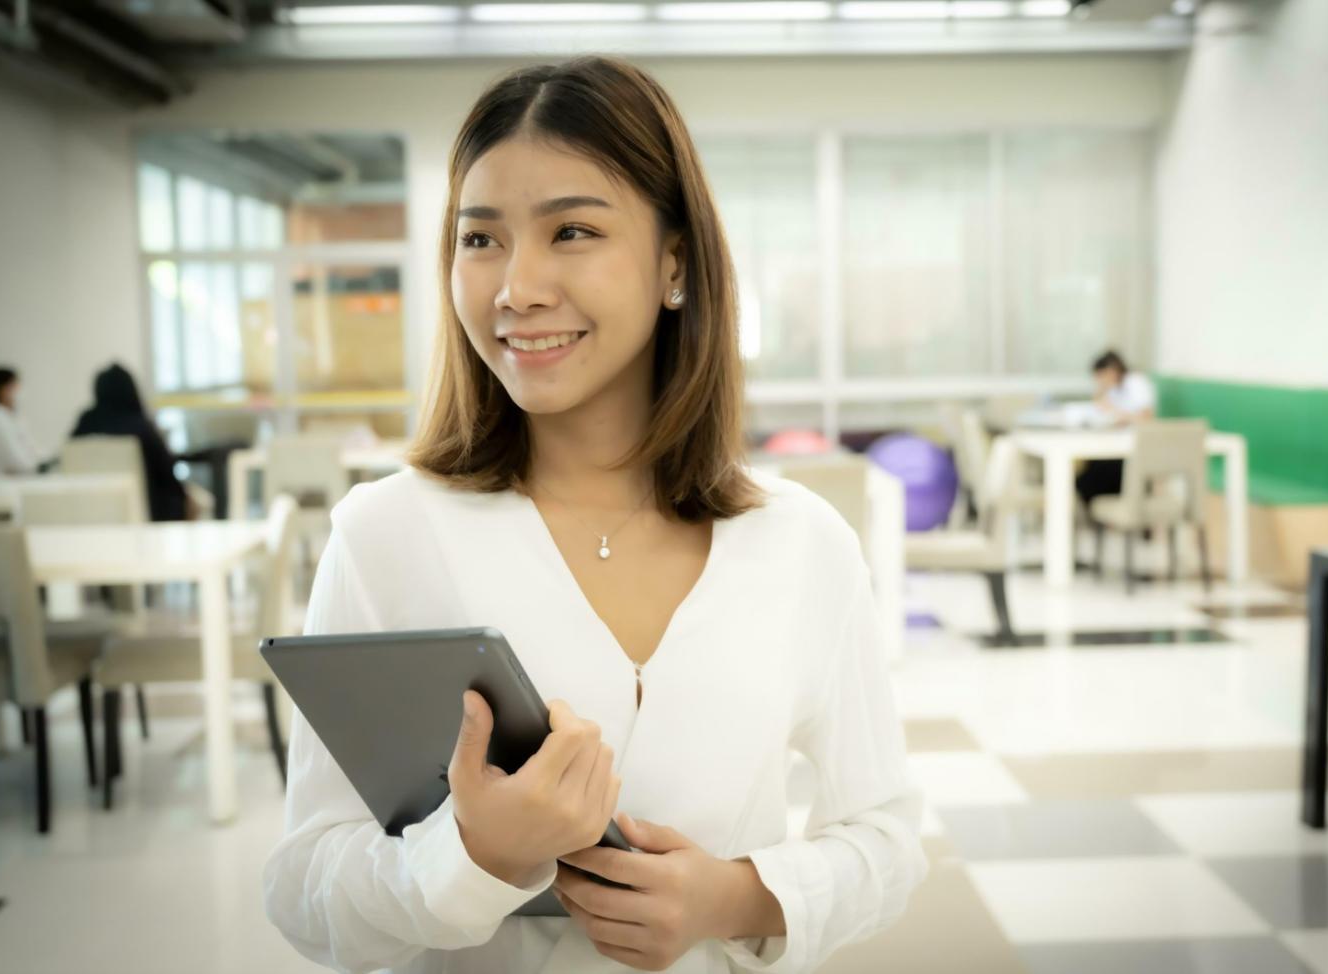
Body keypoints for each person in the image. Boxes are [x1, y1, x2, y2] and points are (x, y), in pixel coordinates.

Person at [263, 56, 926, 974]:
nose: (515, 288)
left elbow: (889, 834)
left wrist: (736, 896)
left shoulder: (803, 543)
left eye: (571, 231)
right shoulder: (386, 534)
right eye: (480, 238)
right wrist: (473, 862)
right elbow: (303, 887)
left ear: (675, 264)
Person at [71, 363, 190, 521]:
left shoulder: (85, 424)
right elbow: (168, 473)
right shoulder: (140, 426)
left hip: (90, 514)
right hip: (149, 514)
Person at [1074, 349, 1156, 506]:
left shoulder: (1136, 383)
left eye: (1101, 375)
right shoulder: (1114, 388)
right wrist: (1102, 390)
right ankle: (1100, 517)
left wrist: (1115, 412)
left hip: (1133, 450)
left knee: (1088, 479)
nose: (1100, 380)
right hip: (1116, 445)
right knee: (1086, 473)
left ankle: (1106, 516)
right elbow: (1101, 407)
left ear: (1112, 370)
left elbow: (1147, 418)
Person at [0, 366, 43, 475]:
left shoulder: (11, 416)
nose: (18, 389)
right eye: (14, 385)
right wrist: (40, 466)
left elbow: (31, 447)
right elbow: (14, 459)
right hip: (1, 485)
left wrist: (43, 461)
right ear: (1, 390)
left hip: (18, 481)